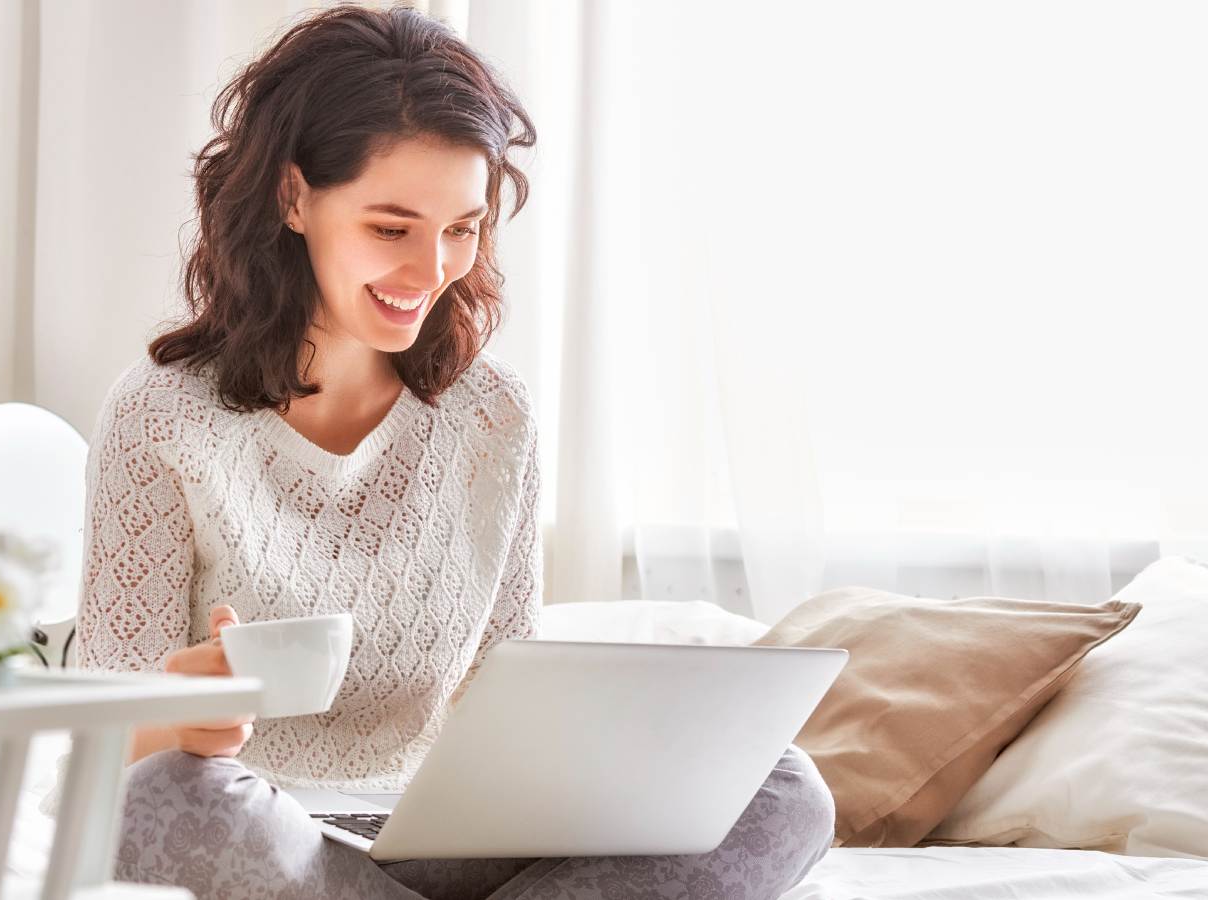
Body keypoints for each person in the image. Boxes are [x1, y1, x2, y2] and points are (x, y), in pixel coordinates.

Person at [72, 5, 835, 898]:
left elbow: (504, 700)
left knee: (783, 785)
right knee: (166, 802)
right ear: (293, 198)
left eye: (462, 229)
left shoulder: (494, 420)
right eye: (391, 229)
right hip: (268, 828)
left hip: (448, 834)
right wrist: (184, 718)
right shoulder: (163, 415)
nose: (431, 270)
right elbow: (105, 752)